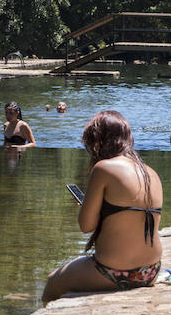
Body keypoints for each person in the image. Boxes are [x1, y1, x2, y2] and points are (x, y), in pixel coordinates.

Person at [41, 111, 163, 304]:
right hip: (151, 271)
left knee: (51, 283)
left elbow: (86, 226)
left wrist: (87, 209)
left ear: (97, 142)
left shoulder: (104, 168)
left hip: (112, 272)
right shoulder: (151, 172)